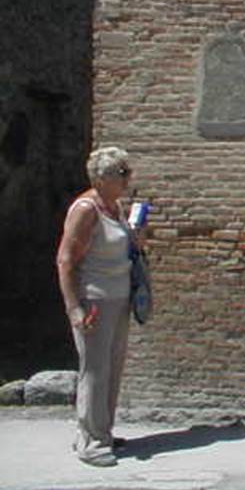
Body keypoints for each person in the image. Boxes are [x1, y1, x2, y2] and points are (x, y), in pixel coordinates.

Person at [56, 146, 138, 467]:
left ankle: (102, 431)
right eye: (123, 173)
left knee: (113, 368)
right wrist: (74, 308)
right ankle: (90, 441)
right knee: (94, 369)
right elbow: (65, 260)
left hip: (118, 298)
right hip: (94, 299)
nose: (129, 178)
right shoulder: (86, 209)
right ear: (102, 178)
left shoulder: (113, 207)